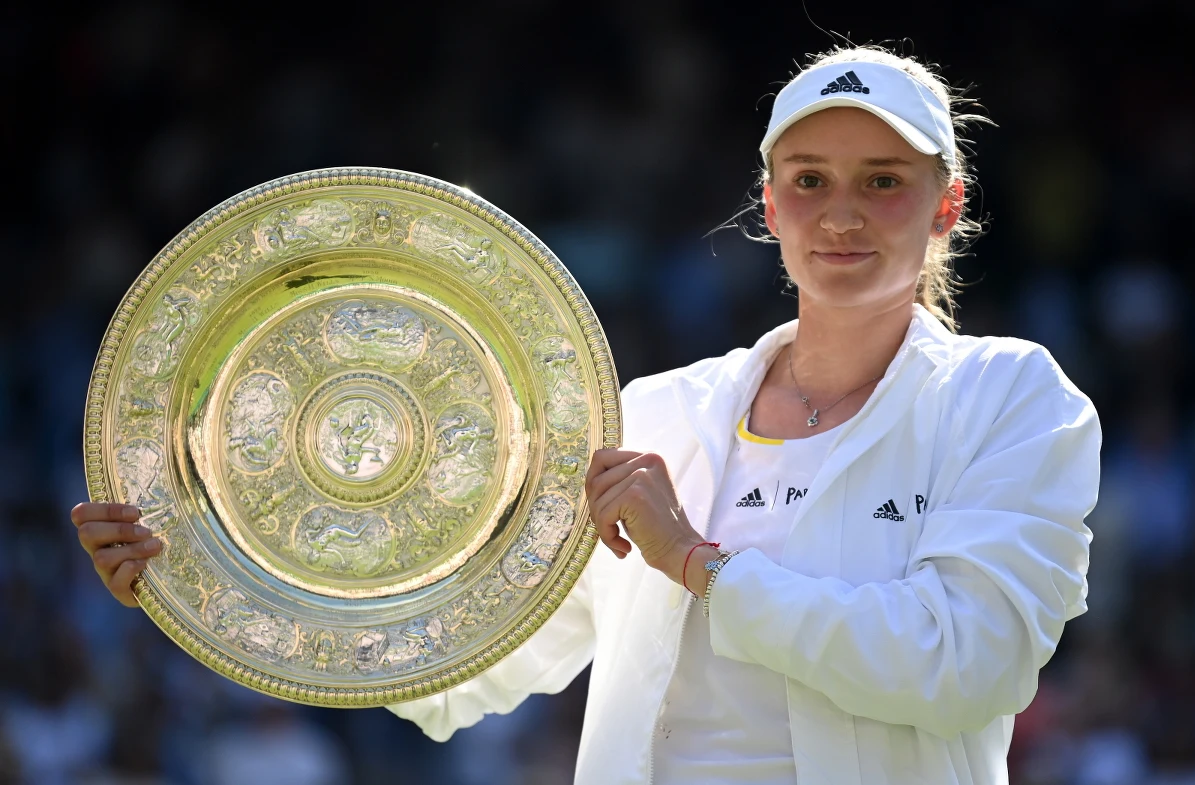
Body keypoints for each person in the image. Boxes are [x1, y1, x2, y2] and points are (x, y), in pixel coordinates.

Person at [71, 44, 1102, 784]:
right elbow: (462, 666)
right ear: (771, 206)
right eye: (811, 181)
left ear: (945, 205)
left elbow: (964, 665)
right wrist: (203, 576)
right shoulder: (655, 413)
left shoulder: (1012, 399)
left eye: (883, 182)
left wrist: (699, 562)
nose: (842, 212)